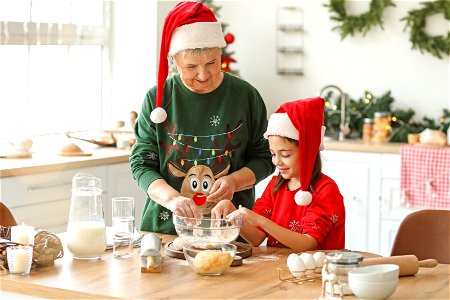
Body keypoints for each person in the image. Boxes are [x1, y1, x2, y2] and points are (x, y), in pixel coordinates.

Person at [130, 1, 274, 234]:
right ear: (173, 62)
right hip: (165, 231)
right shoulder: (157, 98)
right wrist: (173, 199)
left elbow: (265, 157)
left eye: (211, 62)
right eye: (190, 66)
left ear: (220, 53)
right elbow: (142, 163)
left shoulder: (245, 95)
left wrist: (234, 182)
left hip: (231, 231)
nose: (203, 75)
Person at [211, 97, 345, 252]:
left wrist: (262, 222)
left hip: (316, 272)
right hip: (279, 270)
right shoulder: (276, 185)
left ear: (308, 152)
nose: (276, 161)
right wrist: (232, 212)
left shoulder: (326, 190)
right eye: (273, 154)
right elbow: (256, 238)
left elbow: (308, 244)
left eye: (285, 155)